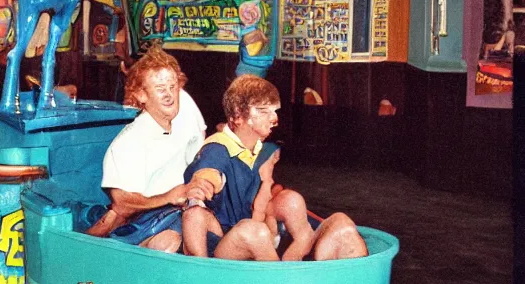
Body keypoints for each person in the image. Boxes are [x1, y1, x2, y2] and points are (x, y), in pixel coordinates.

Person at [181, 74, 369, 261]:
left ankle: (299, 262)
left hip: (258, 234)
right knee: (254, 232)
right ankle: (284, 281)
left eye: (274, 111)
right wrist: (204, 183)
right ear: (238, 115)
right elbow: (208, 173)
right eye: (264, 111)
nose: (274, 119)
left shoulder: (256, 148)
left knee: (336, 220)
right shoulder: (218, 148)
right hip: (225, 243)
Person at [85, 46, 214, 252]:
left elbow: (199, 147)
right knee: (169, 242)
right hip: (145, 219)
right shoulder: (128, 143)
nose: (170, 95)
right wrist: (169, 196)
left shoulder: (186, 109)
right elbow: (122, 204)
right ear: (141, 95)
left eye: (173, 87)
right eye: (160, 89)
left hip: (186, 208)